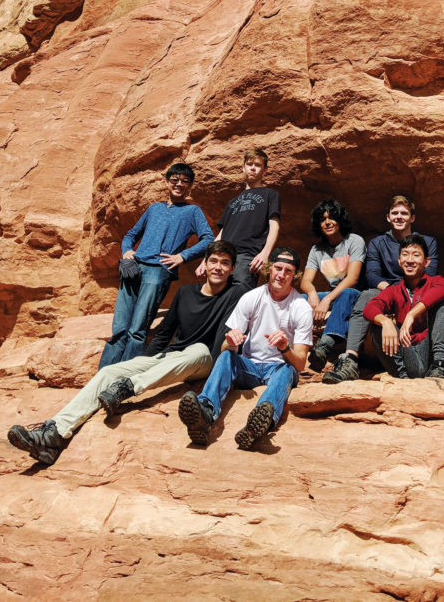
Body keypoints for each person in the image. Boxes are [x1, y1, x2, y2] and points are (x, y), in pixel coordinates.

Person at [7, 242, 245, 466]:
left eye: (225, 263)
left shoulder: (235, 295)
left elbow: (220, 341)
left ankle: (127, 388)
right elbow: (164, 333)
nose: (218, 267)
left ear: (232, 268)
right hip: (170, 357)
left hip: (202, 360)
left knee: (198, 350)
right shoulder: (185, 293)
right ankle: (54, 434)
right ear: (204, 263)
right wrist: (144, 360)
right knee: (110, 371)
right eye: (214, 261)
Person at [178, 246, 313, 450]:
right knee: (225, 357)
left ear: (295, 275)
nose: (282, 275)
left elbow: (300, 363)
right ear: (269, 268)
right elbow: (226, 347)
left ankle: (257, 425)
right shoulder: (252, 297)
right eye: (278, 268)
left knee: (288, 370)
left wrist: (285, 348)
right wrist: (231, 342)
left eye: (288, 271)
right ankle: (204, 413)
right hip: (248, 366)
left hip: (278, 367)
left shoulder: (301, 307)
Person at [98, 162, 214, 369]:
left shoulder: (192, 211)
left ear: (190, 186)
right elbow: (131, 234)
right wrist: (127, 250)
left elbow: (208, 239)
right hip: (133, 267)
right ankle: (102, 376)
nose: (179, 184)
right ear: (167, 182)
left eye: (184, 181)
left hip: (158, 270)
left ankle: (122, 378)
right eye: (175, 180)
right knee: (119, 328)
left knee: (137, 329)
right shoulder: (154, 208)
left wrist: (183, 256)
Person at [322, 194, 438, 383]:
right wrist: (394, 291)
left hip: (418, 291)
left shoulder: (428, 242)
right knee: (367, 295)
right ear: (388, 217)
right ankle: (351, 359)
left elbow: (430, 273)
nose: (399, 217)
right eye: (394, 213)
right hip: (387, 291)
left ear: (412, 217)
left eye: (404, 213)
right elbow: (372, 275)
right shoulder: (378, 243)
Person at [363, 234, 444, 378]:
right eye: (405, 255)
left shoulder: (436, 282)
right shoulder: (393, 290)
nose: (410, 260)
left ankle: (440, 367)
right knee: (377, 325)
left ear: (426, 262)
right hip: (408, 355)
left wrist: (411, 314)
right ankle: (402, 378)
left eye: (416, 255)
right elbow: (370, 308)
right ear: (399, 261)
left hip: (431, 352)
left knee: (443, 308)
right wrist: (385, 322)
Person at [301, 199, 366, 371]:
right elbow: (305, 281)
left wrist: (327, 300)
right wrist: (313, 294)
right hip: (333, 294)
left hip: (354, 293)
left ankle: (324, 346)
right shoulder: (317, 250)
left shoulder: (354, 241)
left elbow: (352, 279)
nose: (327, 222)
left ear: (340, 220)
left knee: (347, 294)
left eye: (332, 218)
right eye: (322, 219)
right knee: (300, 299)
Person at [214, 147, 280, 290]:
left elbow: (274, 225)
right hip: (222, 256)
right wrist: (207, 258)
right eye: (250, 164)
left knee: (239, 298)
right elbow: (222, 232)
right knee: (217, 299)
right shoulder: (232, 201)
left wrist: (265, 254)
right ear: (243, 168)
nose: (253, 168)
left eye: (258, 165)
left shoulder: (270, 195)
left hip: (247, 256)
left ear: (265, 170)